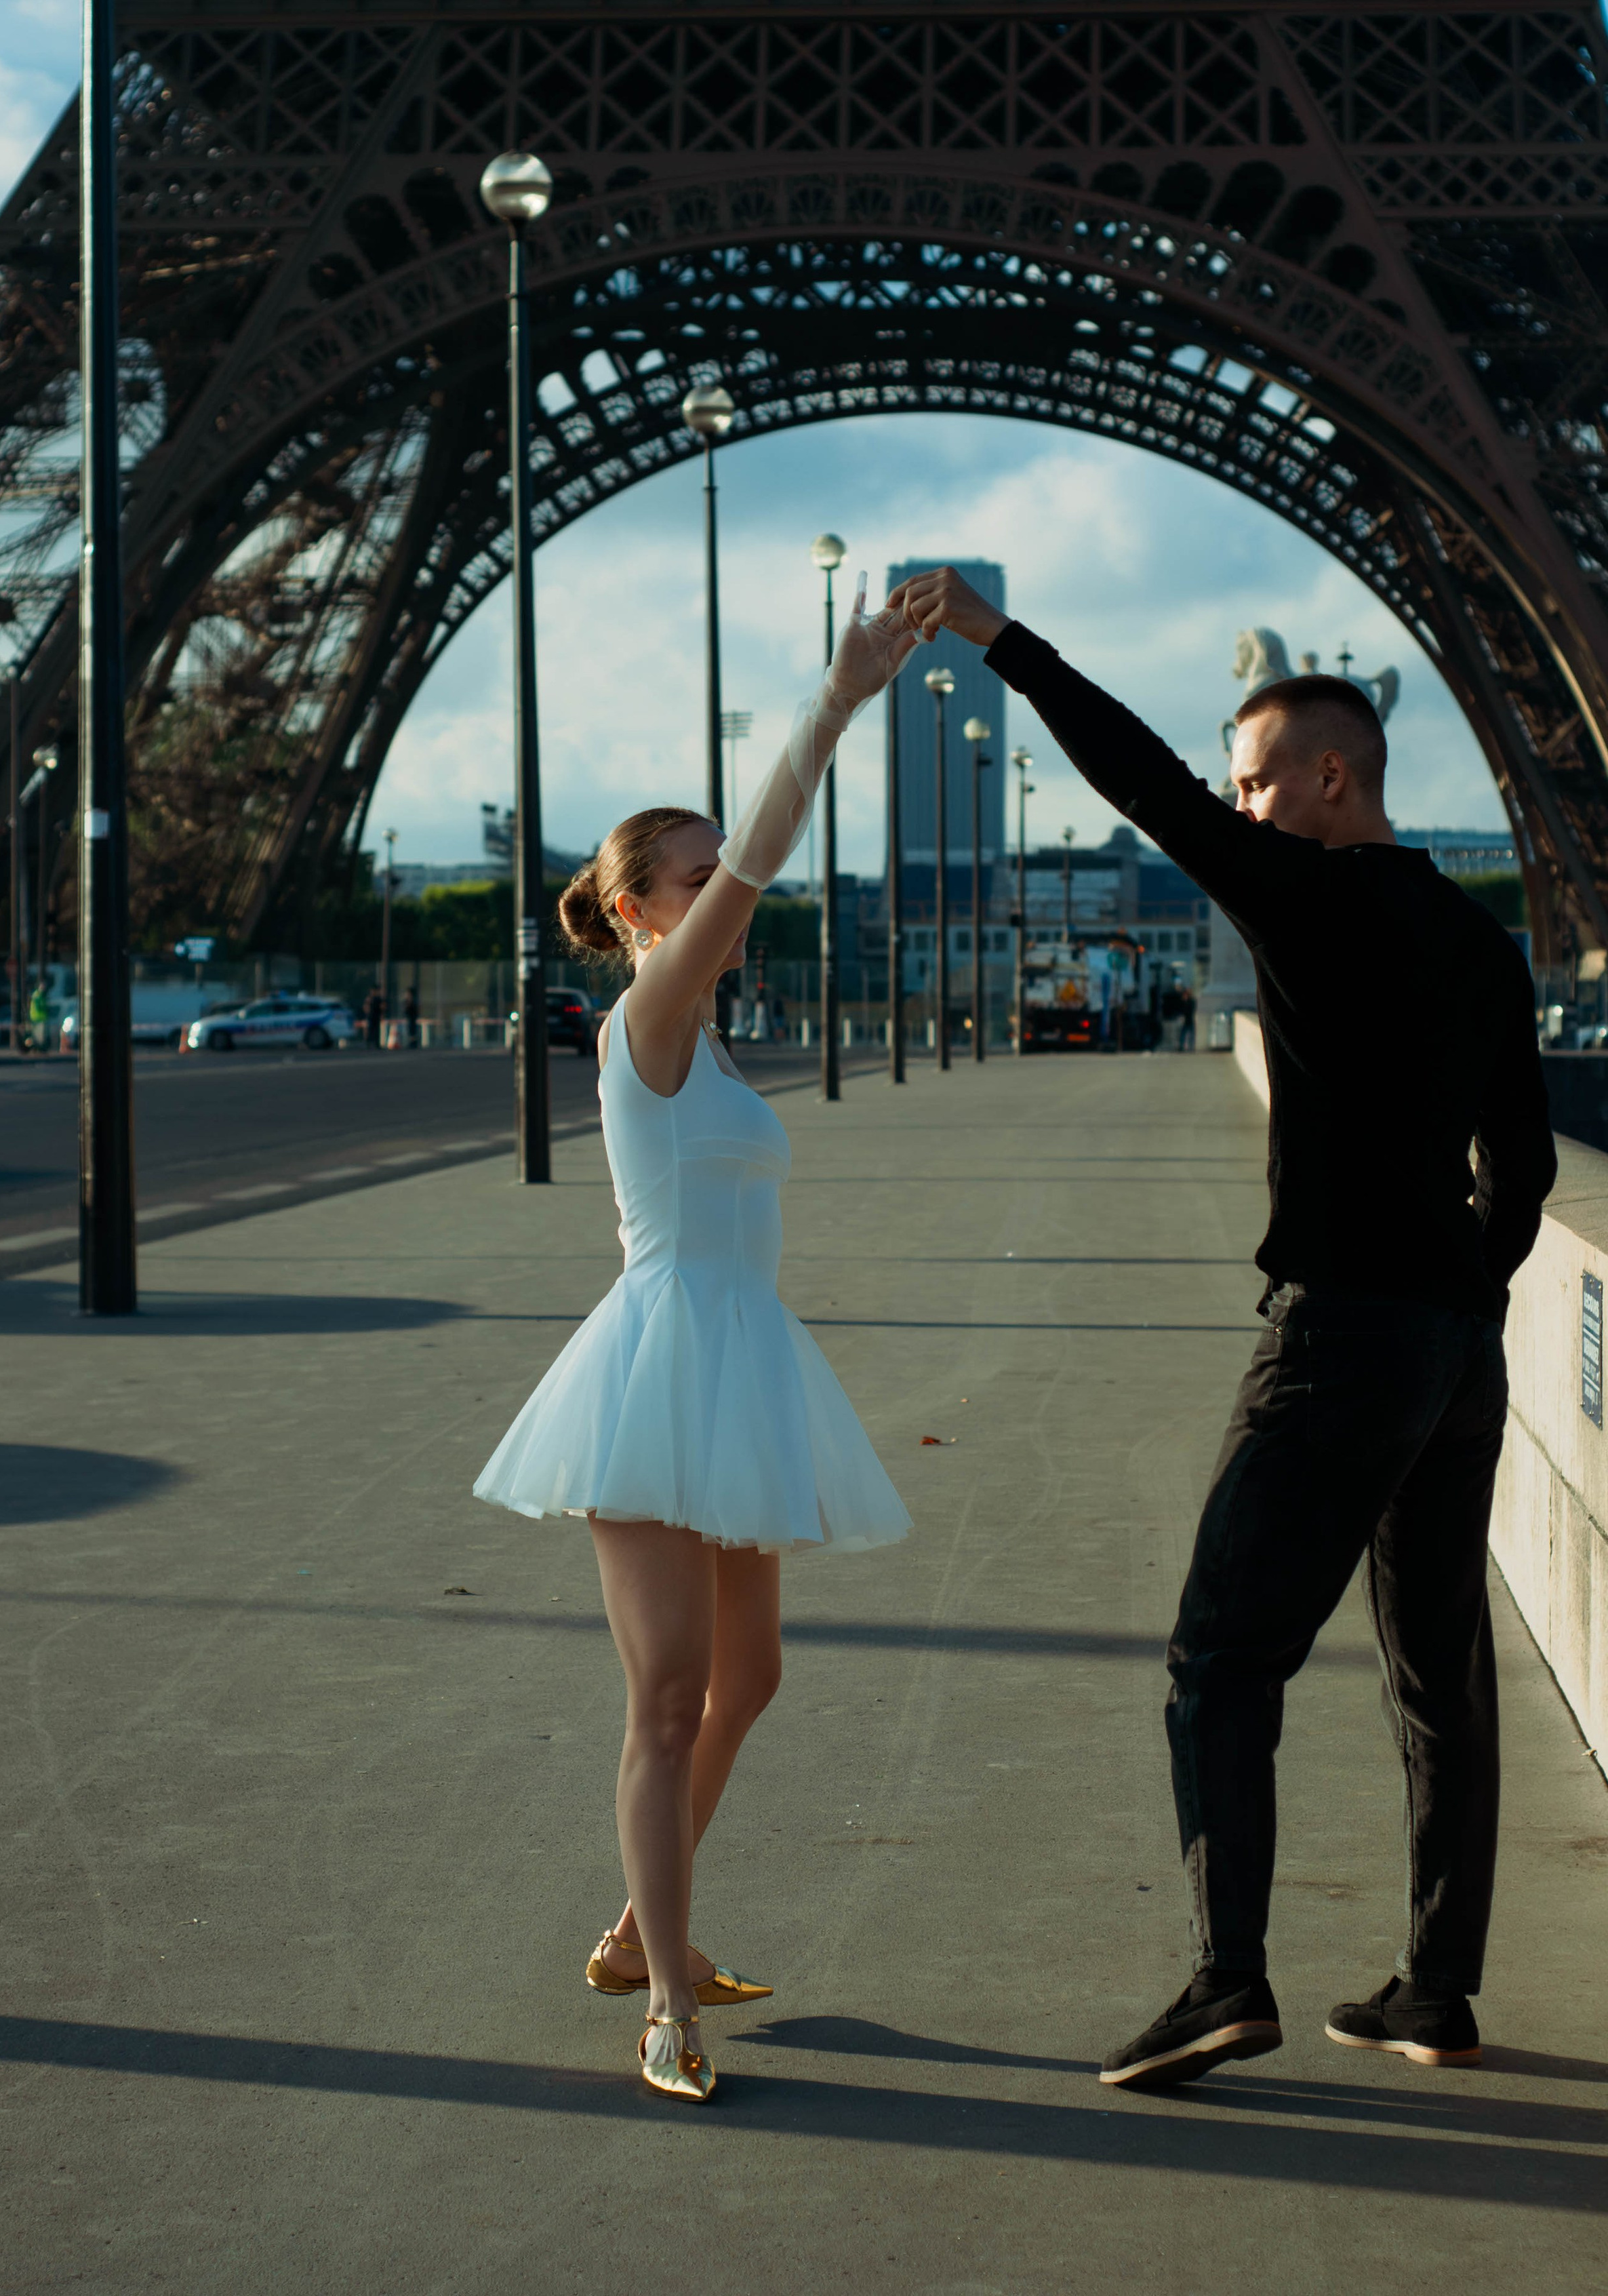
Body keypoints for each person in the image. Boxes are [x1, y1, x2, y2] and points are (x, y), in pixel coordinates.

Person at [889, 565, 1555, 2092]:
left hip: (1337, 1346)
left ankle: (1223, 1978)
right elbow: (1516, 1168)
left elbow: (1137, 775)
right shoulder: (1477, 937)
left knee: (1216, 1658)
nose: (1236, 807)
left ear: (1331, 777)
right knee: (1434, 1676)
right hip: (1456, 1349)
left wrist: (1005, 642)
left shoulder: (1303, 894)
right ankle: (1434, 1988)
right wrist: (1460, 1288)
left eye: (1257, 782)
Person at [473, 582, 916, 2103]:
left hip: (738, 1360)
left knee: (754, 1676)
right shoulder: (650, 1016)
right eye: (696, 867)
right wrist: (838, 694)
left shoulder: (712, 1029)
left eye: (716, 862)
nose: (723, 877)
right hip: (659, 1371)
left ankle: (626, 1930)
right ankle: (668, 1997)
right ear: (646, 912)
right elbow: (777, 840)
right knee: (666, 1694)